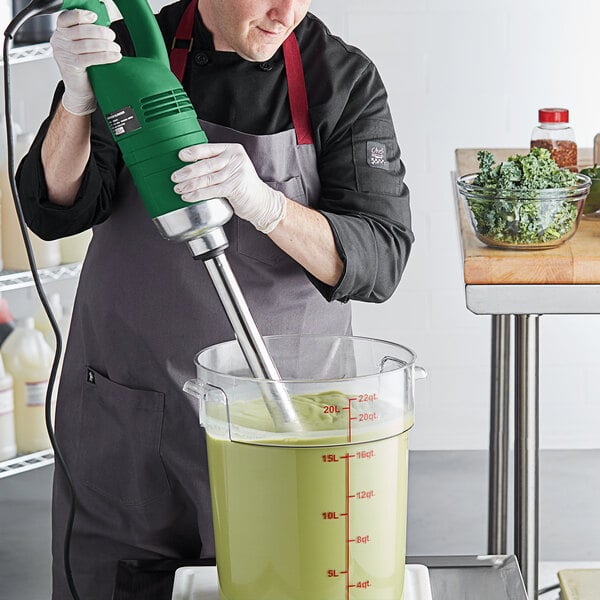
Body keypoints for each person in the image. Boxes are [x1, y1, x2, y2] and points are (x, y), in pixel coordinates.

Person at [16, 1, 414, 598]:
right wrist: (76, 103)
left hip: (273, 419)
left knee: (272, 583)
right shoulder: (122, 52)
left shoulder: (340, 78)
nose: (286, 12)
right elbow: (55, 209)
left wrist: (267, 206)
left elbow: (379, 259)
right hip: (127, 412)